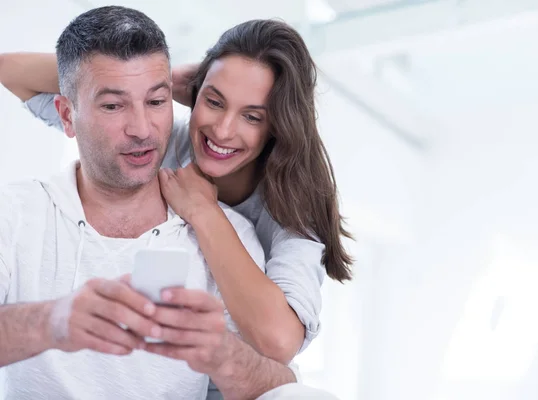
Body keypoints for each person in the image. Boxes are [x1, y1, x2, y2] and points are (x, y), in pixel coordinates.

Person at [0, 6, 337, 400]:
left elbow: (277, 346)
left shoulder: (284, 213)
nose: (224, 130)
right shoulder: (23, 210)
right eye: (213, 101)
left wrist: (203, 211)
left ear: (278, 125)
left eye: (252, 116)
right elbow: (12, 71)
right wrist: (156, 82)